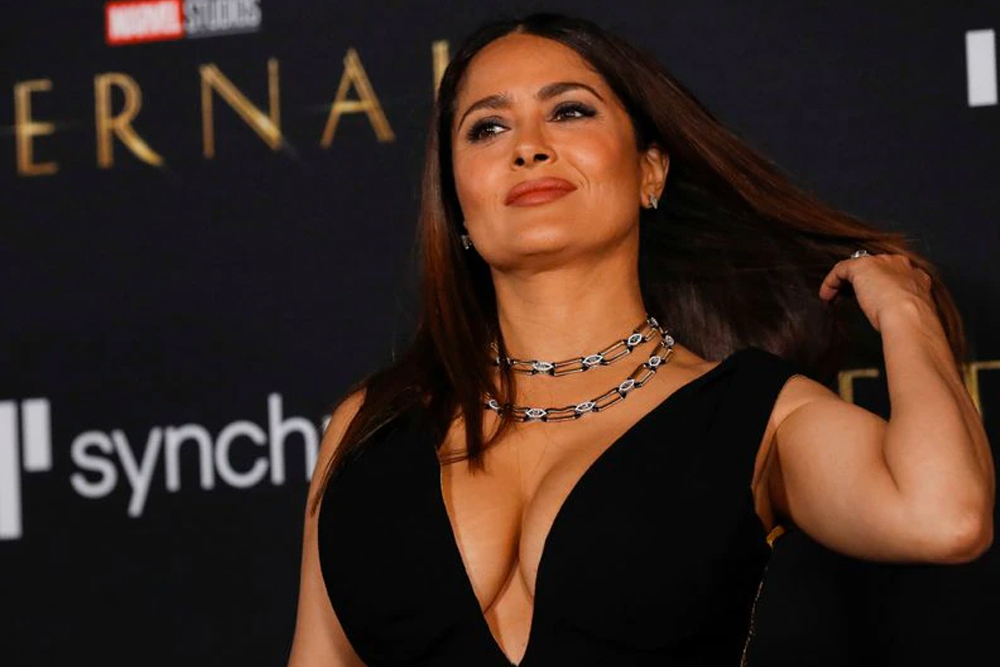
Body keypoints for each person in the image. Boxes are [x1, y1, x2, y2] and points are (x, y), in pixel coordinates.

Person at [286, 12, 995, 667]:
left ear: (649, 171)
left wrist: (906, 307)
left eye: (569, 111)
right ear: (457, 203)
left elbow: (945, 516)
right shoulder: (371, 425)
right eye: (488, 128)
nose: (528, 147)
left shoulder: (754, 417)